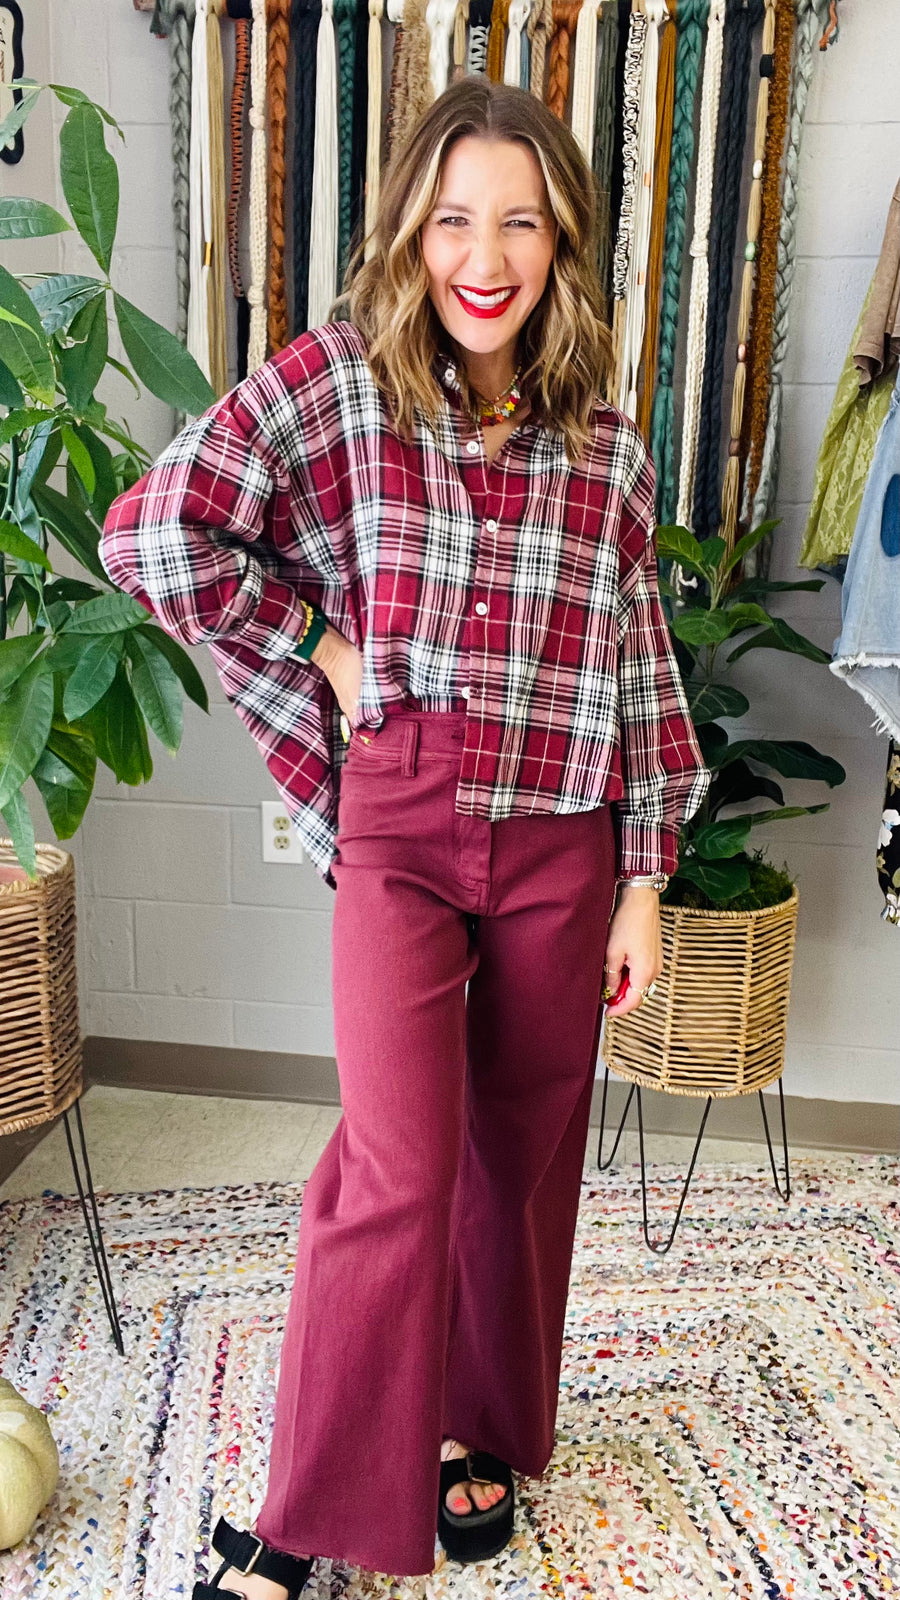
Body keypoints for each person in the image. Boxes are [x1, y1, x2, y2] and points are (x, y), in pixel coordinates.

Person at [100, 77, 708, 1600]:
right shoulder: (337, 387)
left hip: (569, 839)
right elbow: (153, 529)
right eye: (453, 220)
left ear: (564, 239)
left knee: (520, 1154)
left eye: (519, 220)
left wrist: (643, 878)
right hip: (408, 823)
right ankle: (312, 1515)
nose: (484, 255)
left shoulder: (610, 451)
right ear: (411, 233)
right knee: (396, 1161)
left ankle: (477, 1431)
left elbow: (634, 662)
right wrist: (317, 635)